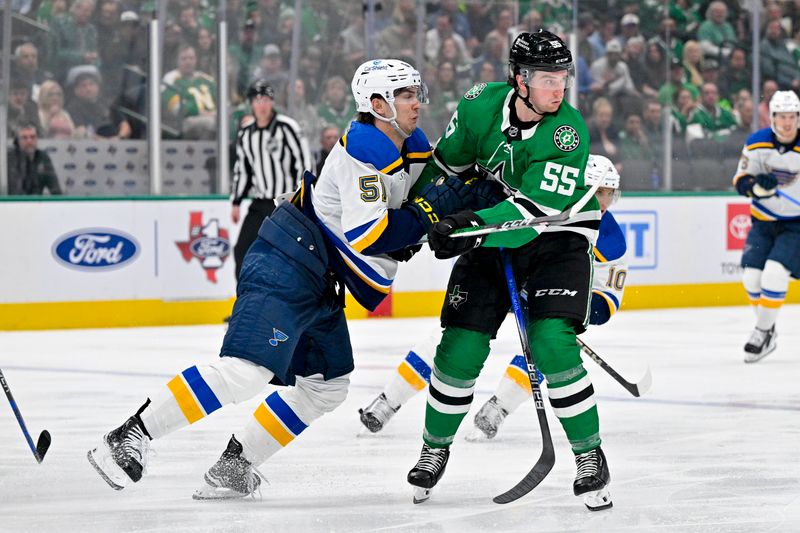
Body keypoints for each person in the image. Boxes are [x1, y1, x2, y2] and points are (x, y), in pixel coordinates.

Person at [86, 59, 489, 500]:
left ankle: (234, 465)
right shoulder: (365, 149)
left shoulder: (408, 142)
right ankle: (130, 434)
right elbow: (369, 233)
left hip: (318, 275)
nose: (417, 102)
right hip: (288, 260)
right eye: (406, 95)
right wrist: (427, 216)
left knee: (326, 387)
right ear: (378, 104)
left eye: (416, 92)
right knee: (246, 371)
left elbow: (424, 193)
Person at [404, 30, 612, 511]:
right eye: (545, 78)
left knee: (551, 344)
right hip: (490, 229)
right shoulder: (480, 104)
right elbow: (445, 169)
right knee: (461, 345)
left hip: (556, 238)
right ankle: (433, 451)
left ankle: (590, 456)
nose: (558, 89)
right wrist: (421, 220)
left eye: (562, 77)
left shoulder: (568, 132)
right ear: (519, 79)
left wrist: (470, 226)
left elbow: (531, 215)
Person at [359, 155, 627, 442]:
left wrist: (564, 307)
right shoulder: (541, 205)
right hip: (497, 280)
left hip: (546, 297)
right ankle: (388, 402)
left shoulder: (609, 238)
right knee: (452, 341)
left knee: (542, 348)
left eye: (608, 194)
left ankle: (497, 410)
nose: (601, 201)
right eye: (596, 191)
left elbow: (605, 301)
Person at [732, 90, 800, 363]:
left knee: (774, 274)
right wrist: (757, 187)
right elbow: (741, 181)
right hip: (762, 221)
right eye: (782, 117)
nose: (787, 122)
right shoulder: (757, 143)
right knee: (751, 279)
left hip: (796, 224)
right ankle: (768, 330)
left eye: (792, 116)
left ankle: (761, 332)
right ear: (772, 117)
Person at [230, 79, 312, 283]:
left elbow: (304, 163)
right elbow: (243, 169)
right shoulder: (246, 134)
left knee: (290, 254)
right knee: (242, 250)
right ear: (251, 104)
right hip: (259, 204)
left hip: (286, 203)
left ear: (272, 102)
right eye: (257, 100)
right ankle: (246, 305)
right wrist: (236, 201)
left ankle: (293, 303)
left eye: (266, 99)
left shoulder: (287, 127)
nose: (261, 104)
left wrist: (303, 197)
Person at [7, 123, 63, 195]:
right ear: (17, 141)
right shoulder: (8, 159)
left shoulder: (43, 158)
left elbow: (55, 190)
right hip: (11, 204)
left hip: (36, 204)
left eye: (32, 137)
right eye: (24, 138)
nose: (29, 141)